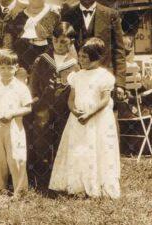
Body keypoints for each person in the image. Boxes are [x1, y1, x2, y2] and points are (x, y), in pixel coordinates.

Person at [49, 38, 121, 199]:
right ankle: (78, 185)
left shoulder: (104, 76)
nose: (80, 60)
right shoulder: (77, 76)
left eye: (84, 57)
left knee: (96, 149)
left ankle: (97, 184)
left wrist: (90, 114)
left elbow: (105, 100)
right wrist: (74, 111)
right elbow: (71, 98)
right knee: (79, 150)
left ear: (96, 58)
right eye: (80, 56)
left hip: (97, 119)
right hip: (78, 119)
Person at [28, 22, 79, 189]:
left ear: (71, 43)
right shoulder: (42, 60)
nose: (59, 45)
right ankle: (41, 179)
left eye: (64, 42)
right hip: (43, 108)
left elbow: (77, 87)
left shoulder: (74, 64)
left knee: (61, 141)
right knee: (41, 141)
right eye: (56, 40)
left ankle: (58, 179)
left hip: (64, 109)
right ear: (52, 40)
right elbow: (33, 85)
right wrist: (34, 100)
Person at [0, 50, 33, 198]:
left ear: (16, 67)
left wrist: (12, 114)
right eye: (2, 68)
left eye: (10, 68)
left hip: (14, 127)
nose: (6, 71)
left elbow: (28, 107)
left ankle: (20, 190)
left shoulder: (20, 87)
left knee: (16, 157)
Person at [61, 0, 126, 92]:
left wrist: (120, 84)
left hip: (103, 78)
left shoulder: (110, 14)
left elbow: (119, 50)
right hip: (78, 78)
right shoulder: (68, 15)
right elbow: (63, 47)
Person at [4, 0, 60, 72]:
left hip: (48, 67)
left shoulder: (55, 14)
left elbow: (64, 41)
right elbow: (7, 48)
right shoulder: (16, 17)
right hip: (21, 68)